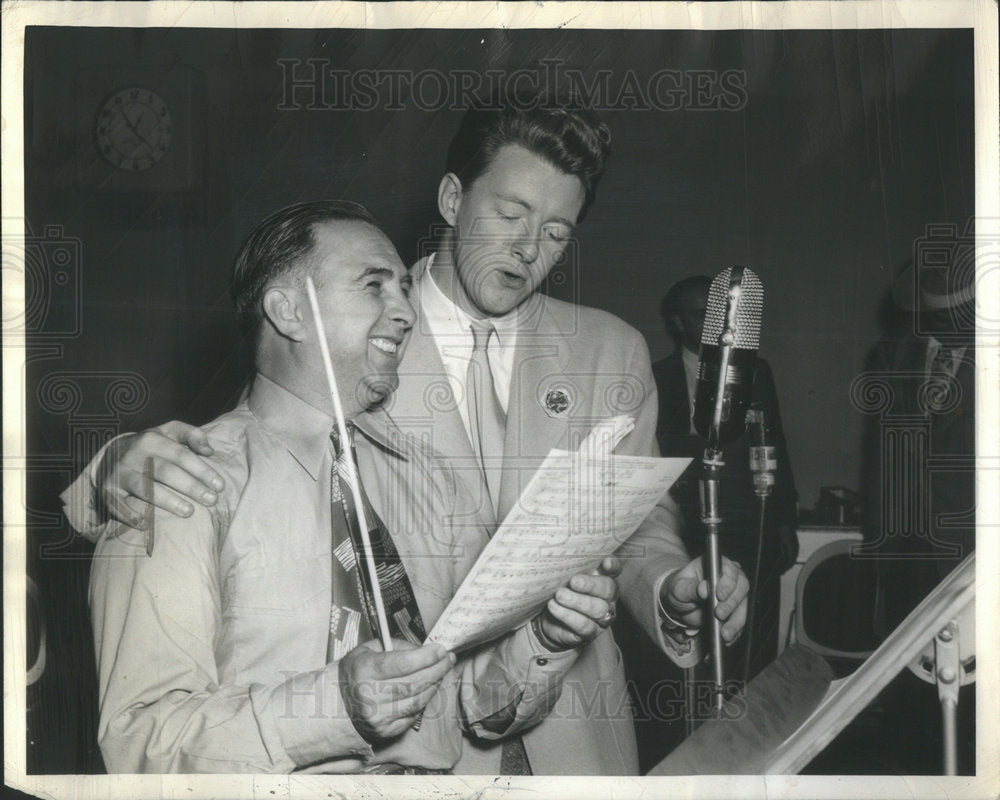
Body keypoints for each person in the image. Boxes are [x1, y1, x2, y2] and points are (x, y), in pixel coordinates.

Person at [65, 99, 750, 775]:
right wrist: (110, 474)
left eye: (556, 233)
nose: (527, 247)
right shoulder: (345, 359)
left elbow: (633, 523)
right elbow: (252, 444)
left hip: (562, 723)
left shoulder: (610, 350)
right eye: (510, 215)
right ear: (452, 199)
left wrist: (643, 596)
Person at [80, 200, 621, 774]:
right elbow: (140, 745)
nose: (406, 312)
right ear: (288, 311)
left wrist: (545, 640)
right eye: (374, 285)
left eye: (405, 289)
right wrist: (334, 706)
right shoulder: (174, 484)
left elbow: (471, 707)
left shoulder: (432, 481)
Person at [856, 258, 975, 774]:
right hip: (903, 551)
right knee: (907, 689)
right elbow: (878, 455)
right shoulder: (892, 353)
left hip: (973, 555)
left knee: (972, 699)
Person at [652, 275, 799, 679]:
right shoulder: (654, 378)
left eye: (719, 316)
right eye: (702, 316)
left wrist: (785, 520)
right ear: (678, 323)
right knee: (696, 655)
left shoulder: (755, 372)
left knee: (753, 648)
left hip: (753, 530)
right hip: (687, 532)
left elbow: (776, 443)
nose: (716, 327)